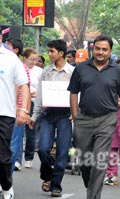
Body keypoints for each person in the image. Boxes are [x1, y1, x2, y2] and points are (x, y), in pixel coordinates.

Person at [67, 35, 120, 199]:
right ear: (92, 49)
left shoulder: (117, 71)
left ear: (110, 51)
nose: (100, 52)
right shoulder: (81, 68)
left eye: (104, 49)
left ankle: (93, 195)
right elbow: (73, 92)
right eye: (98, 49)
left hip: (107, 119)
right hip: (84, 119)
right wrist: (75, 116)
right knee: (82, 157)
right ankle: (91, 184)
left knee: (100, 159)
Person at [30, 39, 74, 197]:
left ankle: (56, 186)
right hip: (48, 114)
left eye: (51, 51)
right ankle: (47, 176)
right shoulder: (46, 71)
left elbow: (77, 94)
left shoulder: (72, 72)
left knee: (63, 151)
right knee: (42, 149)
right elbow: (41, 96)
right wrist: (34, 117)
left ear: (61, 53)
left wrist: (75, 114)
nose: (49, 54)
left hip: (65, 116)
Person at [0, 27, 30, 199]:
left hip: (4, 114)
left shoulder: (10, 58)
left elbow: (24, 84)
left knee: (3, 158)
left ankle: (6, 186)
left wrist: (23, 110)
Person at [5, 38, 32, 173]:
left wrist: (25, 111)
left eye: (7, 46)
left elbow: (25, 87)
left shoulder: (22, 67)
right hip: (5, 110)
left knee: (13, 144)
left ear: (15, 50)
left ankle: (7, 177)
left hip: (17, 111)